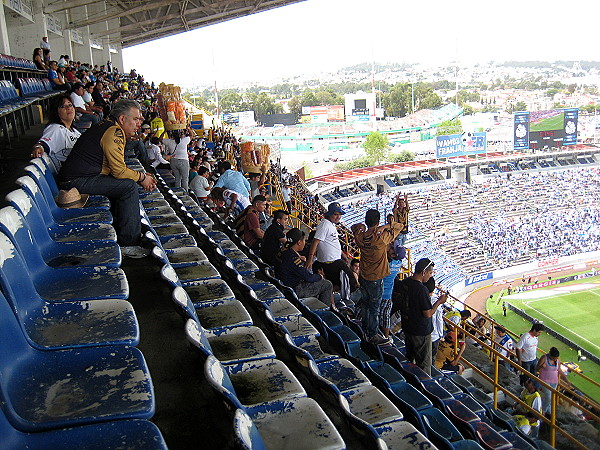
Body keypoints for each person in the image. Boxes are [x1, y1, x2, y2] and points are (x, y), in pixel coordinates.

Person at [57, 99, 157, 258]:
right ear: (123, 119)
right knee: (128, 187)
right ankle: (128, 244)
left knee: (124, 184)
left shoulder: (107, 126)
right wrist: (142, 177)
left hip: (80, 177)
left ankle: (123, 230)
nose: (139, 123)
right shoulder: (114, 131)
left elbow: (115, 168)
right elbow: (119, 171)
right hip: (75, 182)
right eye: (136, 119)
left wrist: (139, 176)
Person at [351, 208, 404, 345]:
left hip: (364, 275)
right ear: (378, 221)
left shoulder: (360, 237)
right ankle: (373, 334)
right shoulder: (381, 238)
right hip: (376, 278)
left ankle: (365, 328)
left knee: (366, 303)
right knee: (374, 307)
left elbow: (354, 228)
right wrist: (385, 226)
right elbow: (400, 226)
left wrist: (362, 227)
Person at [398, 258, 448, 375]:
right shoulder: (421, 289)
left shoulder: (405, 282)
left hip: (407, 327)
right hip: (420, 332)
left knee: (409, 359)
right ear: (424, 272)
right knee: (424, 365)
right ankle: (423, 388)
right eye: (430, 273)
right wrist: (439, 302)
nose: (430, 276)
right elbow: (428, 314)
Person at [305, 202, 357, 293]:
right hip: (331, 263)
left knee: (339, 284)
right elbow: (315, 241)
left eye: (339, 214)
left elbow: (333, 242)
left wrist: (342, 254)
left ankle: (334, 299)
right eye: (336, 214)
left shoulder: (331, 224)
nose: (338, 217)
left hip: (335, 260)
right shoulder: (324, 225)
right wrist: (310, 258)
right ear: (330, 214)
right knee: (352, 284)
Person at [276, 228, 333, 306]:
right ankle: (325, 310)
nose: (305, 243)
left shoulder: (284, 251)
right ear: (299, 242)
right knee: (327, 284)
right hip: (295, 289)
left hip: (285, 284)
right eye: (304, 240)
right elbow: (308, 277)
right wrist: (320, 276)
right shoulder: (294, 259)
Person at [31, 94, 81, 171]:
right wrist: (38, 147)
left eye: (70, 105)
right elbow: (43, 144)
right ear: (56, 111)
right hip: (71, 176)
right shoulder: (56, 128)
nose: (68, 108)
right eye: (63, 106)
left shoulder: (74, 131)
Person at [536, 347, 563, 414]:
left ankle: (549, 411)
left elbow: (559, 369)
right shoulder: (544, 358)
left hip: (554, 381)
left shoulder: (558, 359)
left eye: (556, 358)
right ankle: (543, 412)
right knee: (548, 398)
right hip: (544, 380)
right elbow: (537, 368)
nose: (555, 359)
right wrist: (542, 366)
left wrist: (566, 380)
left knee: (552, 397)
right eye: (554, 358)